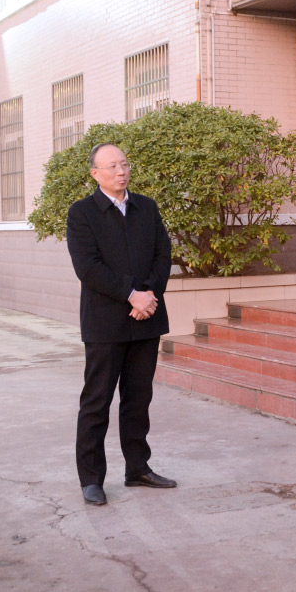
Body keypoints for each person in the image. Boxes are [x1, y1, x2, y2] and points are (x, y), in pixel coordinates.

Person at [67, 143, 176, 506]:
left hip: (146, 318)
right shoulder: (82, 213)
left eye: (124, 164)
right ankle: (91, 479)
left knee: (138, 398)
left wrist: (148, 296)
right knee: (97, 401)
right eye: (112, 166)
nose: (121, 171)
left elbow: (163, 254)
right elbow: (88, 267)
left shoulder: (147, 207)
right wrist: (131, 295)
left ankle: (138, 468)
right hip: (105, 322)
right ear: (95, 173)